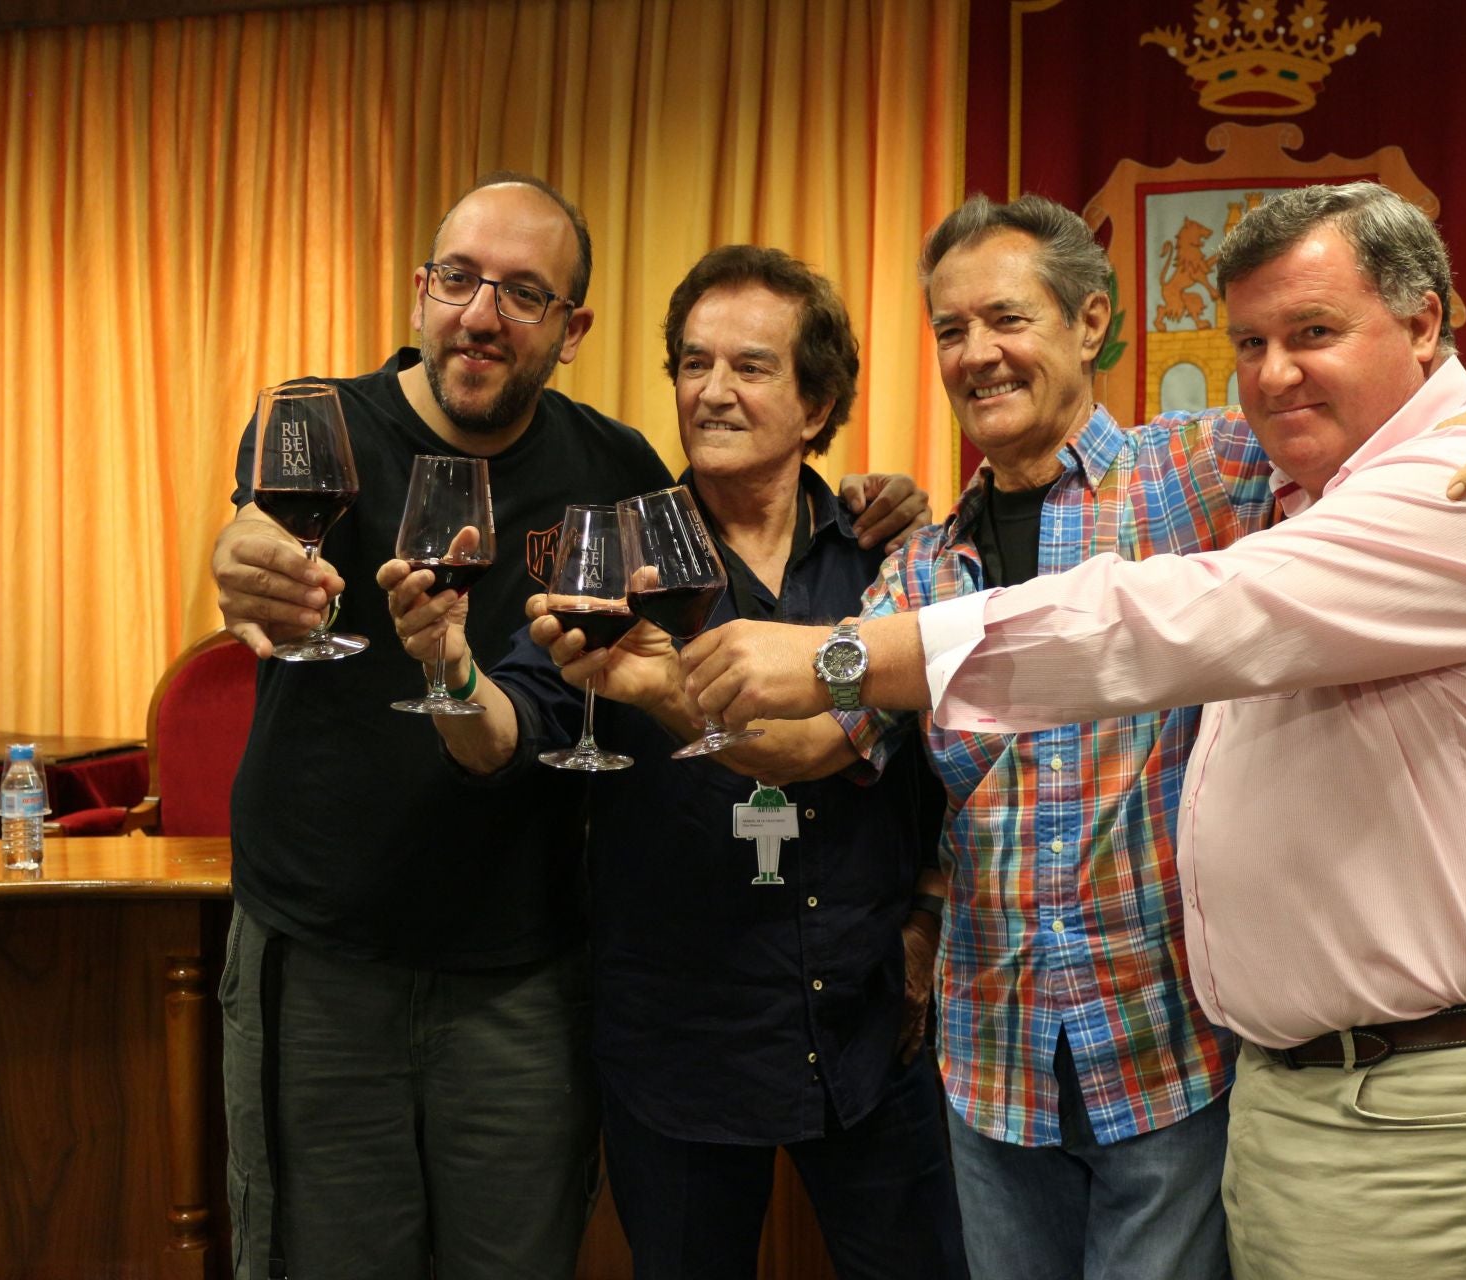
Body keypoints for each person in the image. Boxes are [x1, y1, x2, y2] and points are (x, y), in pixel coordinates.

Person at [682, 182, 1466, 1279]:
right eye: (951, 329)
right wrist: (666, 685)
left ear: (1089, 324)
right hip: (1001, 1054)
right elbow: (816, 742)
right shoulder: (919, 558)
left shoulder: (1213, 462)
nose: (977, 354)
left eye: (1007, 318)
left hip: (1176, 1053)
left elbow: (1175, 605)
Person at [210, 175, 929, 1280]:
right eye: (458, 279)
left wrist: (892, 507)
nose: (481, 313)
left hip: (539, 964)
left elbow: (906, 744)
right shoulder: (332, 429)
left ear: (571, 327)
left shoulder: (629, 478)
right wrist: (249, 572)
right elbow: (264, 551)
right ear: (421, 291)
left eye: (524, 292)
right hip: (333, 946)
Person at [377, 244, 968, 1280]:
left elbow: (945, 767)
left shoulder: (888, 557)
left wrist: (924, 910)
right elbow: (507, 733)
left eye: (750, 366)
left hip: (872, 1035)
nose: (714, 391)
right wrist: (452, 672)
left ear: (818, 401)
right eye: (694, 364)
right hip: (682, 1044)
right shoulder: (611, 556)